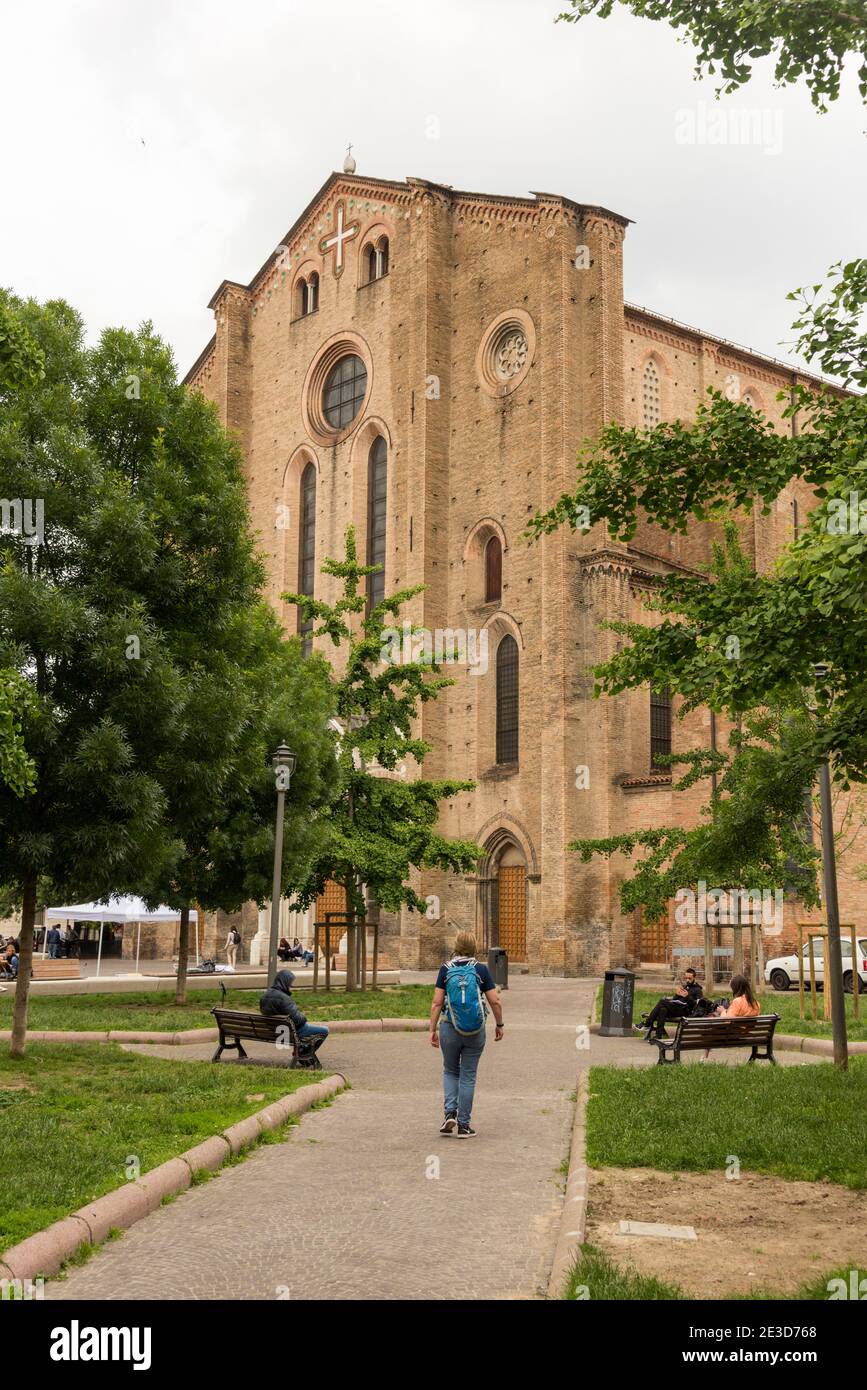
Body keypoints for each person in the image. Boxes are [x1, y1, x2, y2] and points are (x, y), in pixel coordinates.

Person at [429, 931, 504, 1138]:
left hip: (449, 1027)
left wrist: (432, 1029)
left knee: (450, 1070)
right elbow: (495, 1000)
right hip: (475, 1030)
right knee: (468, 1076)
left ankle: (449, 1114)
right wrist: (499, 1024)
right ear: (474, 947)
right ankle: (464, 1125)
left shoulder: (445, 970)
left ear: (456, 946)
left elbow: (436, 1002)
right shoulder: (480, 970)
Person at [259, 969, 328, 1064]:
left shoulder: (265, 995)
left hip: (273, 1031)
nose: (291, 985)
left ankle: (302, 1049)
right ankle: (304, 1053)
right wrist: (304, 1017)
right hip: (290, 1032)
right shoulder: (284, 998)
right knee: (324, 1030)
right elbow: (298, 1020)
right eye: (290, 982)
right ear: (285, 982)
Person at [638, 967, 703, 1041]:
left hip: (685, 1011)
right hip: (676, 1008)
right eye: (686, 978)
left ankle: (647, 1023)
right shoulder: (685, 987)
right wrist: (677, 994)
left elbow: (697, 1006)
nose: (687, 980)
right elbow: (676, 1000)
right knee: (663, 1009)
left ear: (694, 977)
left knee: (662, 1001)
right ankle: (658, 1035)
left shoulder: (698, 990)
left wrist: (687, 996)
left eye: (690, 978)